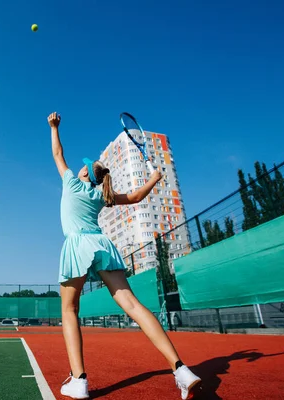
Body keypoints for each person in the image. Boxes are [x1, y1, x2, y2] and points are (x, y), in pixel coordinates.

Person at [48, 112, 201, 400]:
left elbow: (57, 152)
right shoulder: (100, 195)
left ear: (84, 174)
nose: (79, 168)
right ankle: (180, 368)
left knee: (69, 310)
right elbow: (134, 198)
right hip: (103, 245)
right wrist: (155, 178)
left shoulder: (70, 182)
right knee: (133, 305)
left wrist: (54, 127)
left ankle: (79, 380)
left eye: (83, 167)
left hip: (78, 246)